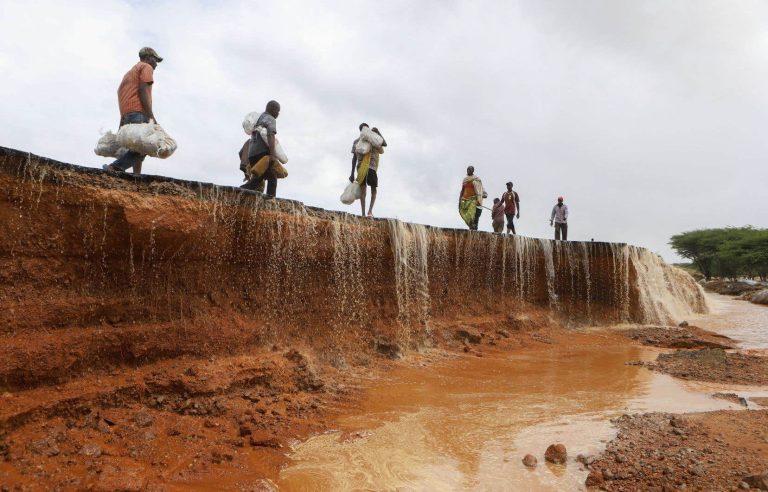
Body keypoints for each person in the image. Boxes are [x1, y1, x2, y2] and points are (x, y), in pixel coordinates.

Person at [103, 47, 163, 174]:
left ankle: (136, 176)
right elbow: (142, 90)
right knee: (144, 147)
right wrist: (150, 115)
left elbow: (122, 94)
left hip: (126, 114)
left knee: (135, 146)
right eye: (155, 60)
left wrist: (124, 118)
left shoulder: (129, 73)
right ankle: (115, 167)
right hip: (138, 113)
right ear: (147, 58)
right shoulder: (146, 67)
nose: (156, 64)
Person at [241, 100, 281, 197]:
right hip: (263, 154)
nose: (278, 114)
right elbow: (271, 135)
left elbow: (246, 144)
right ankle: (270, 201)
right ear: (272, 109)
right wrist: (272, 155)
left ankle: (241, 192)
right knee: (272, 175)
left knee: (258, 179)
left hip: (252, 155)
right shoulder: (270, 119)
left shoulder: (258, 119)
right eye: (278, 111)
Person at [349, 124, 386, 217]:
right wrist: (378, 132)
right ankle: (369, 211)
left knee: (363, 190)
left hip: (362, 168)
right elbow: (385, 144)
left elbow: (354, 159)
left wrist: (352, 173)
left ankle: (364, 213)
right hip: (370, 168)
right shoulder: (373, 140)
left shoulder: (361, 141)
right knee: (373, 190)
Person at [458, 166, 487, 230]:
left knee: (471, 214)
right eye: (467, 169)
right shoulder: (465, 180)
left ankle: (473, 226)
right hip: (465, 200)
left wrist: (483, 194)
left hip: (473, 200)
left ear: (473, 171)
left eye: (469, 169)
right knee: (464, 213)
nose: (468, 170)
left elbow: (480, 188)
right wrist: (460, 199)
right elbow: (462, 190)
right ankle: (471, 226)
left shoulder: (476, 179)